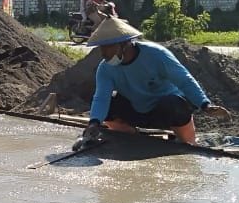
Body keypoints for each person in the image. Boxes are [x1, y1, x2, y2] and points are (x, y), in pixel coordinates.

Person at [76, 18, 230, 147]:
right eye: (102, 48)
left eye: (108, 47)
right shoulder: (105, 68)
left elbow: (184, 80)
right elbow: (101, 97)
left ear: (125, 44)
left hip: (163, 110)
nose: (104, 53)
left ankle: (188, 141)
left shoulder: (156, 55)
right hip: (136, 109)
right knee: (110, 104)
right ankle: (129, 136)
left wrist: (205, 104)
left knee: (175, 105)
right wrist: (94, 124)